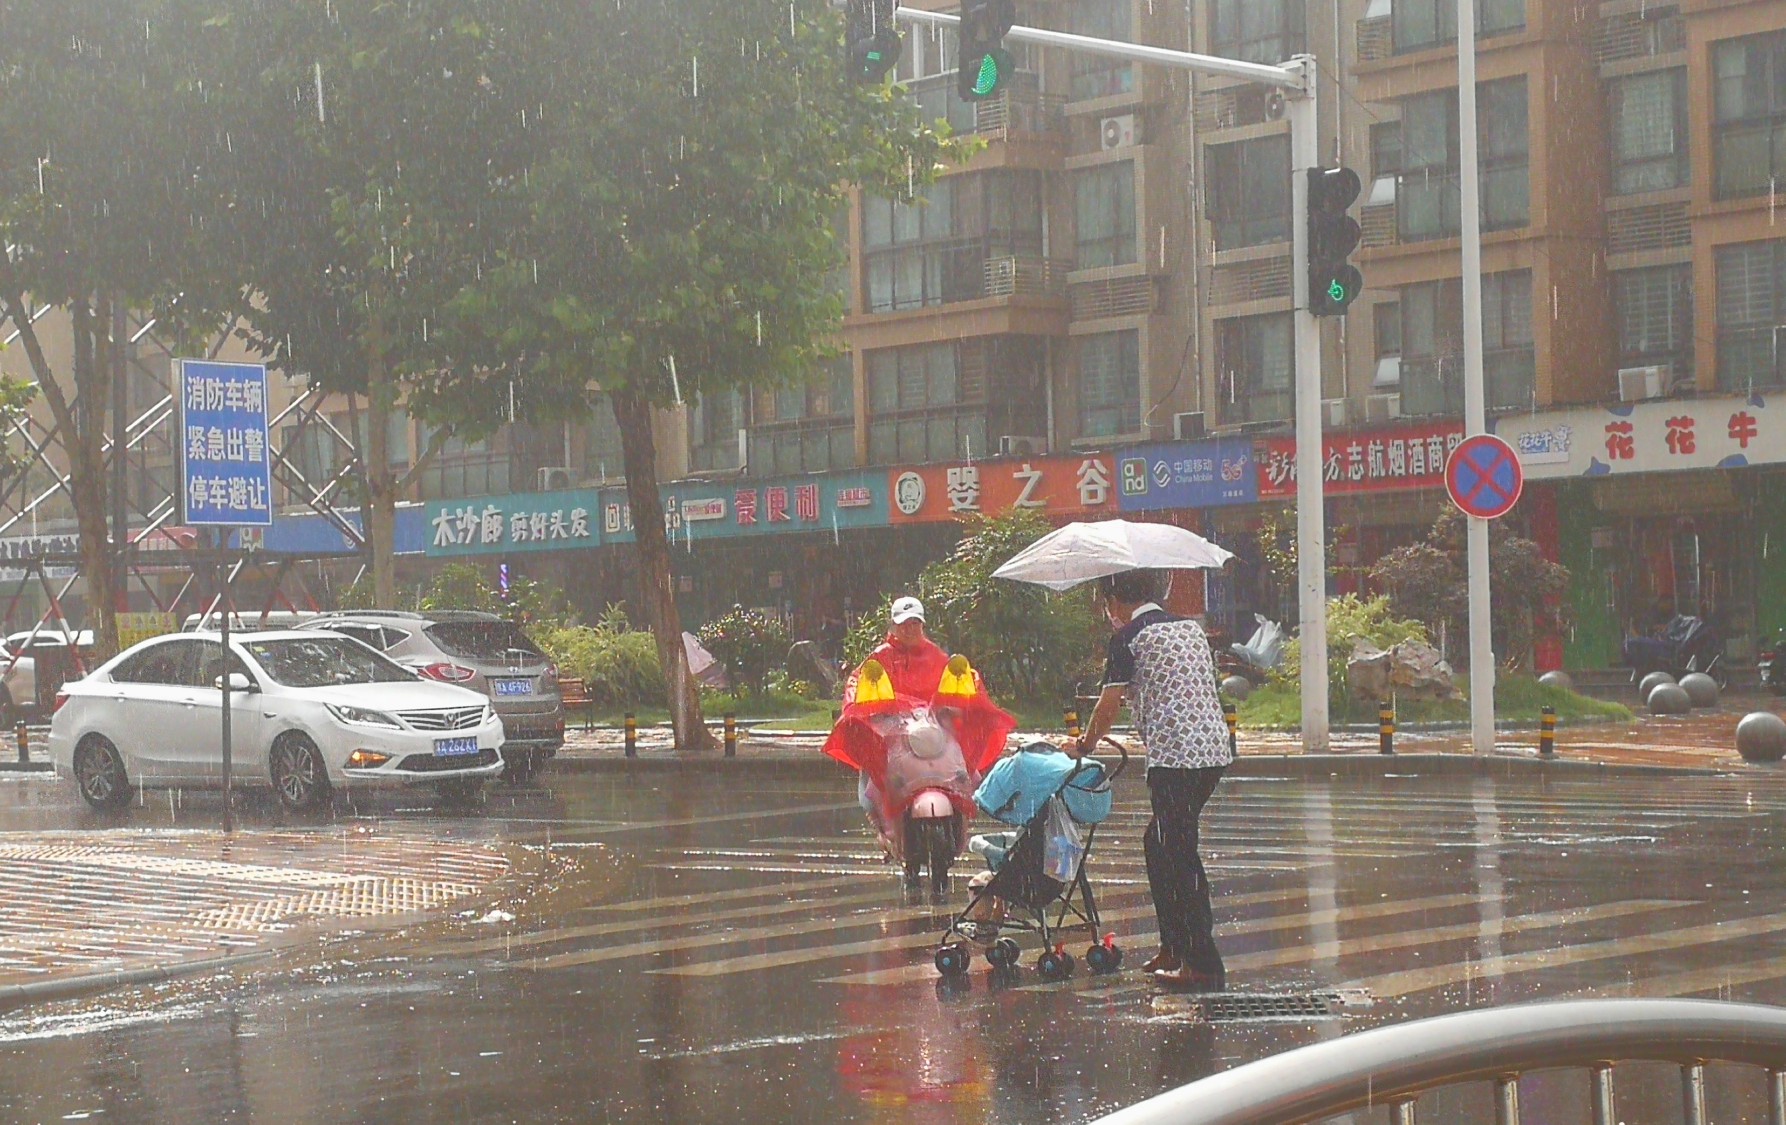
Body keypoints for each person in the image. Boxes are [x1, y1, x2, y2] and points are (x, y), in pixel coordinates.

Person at [1064, 569, 1232, 990]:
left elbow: (1109, 703)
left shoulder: (1129, 639)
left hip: (1175, 756)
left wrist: (1085, 743)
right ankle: (1173, 946)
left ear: (1115, 602)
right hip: (1212, 752)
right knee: (1160, 846)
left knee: (1177, 854)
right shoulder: (1190, 629)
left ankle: (1202, 960)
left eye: (1106, 605)